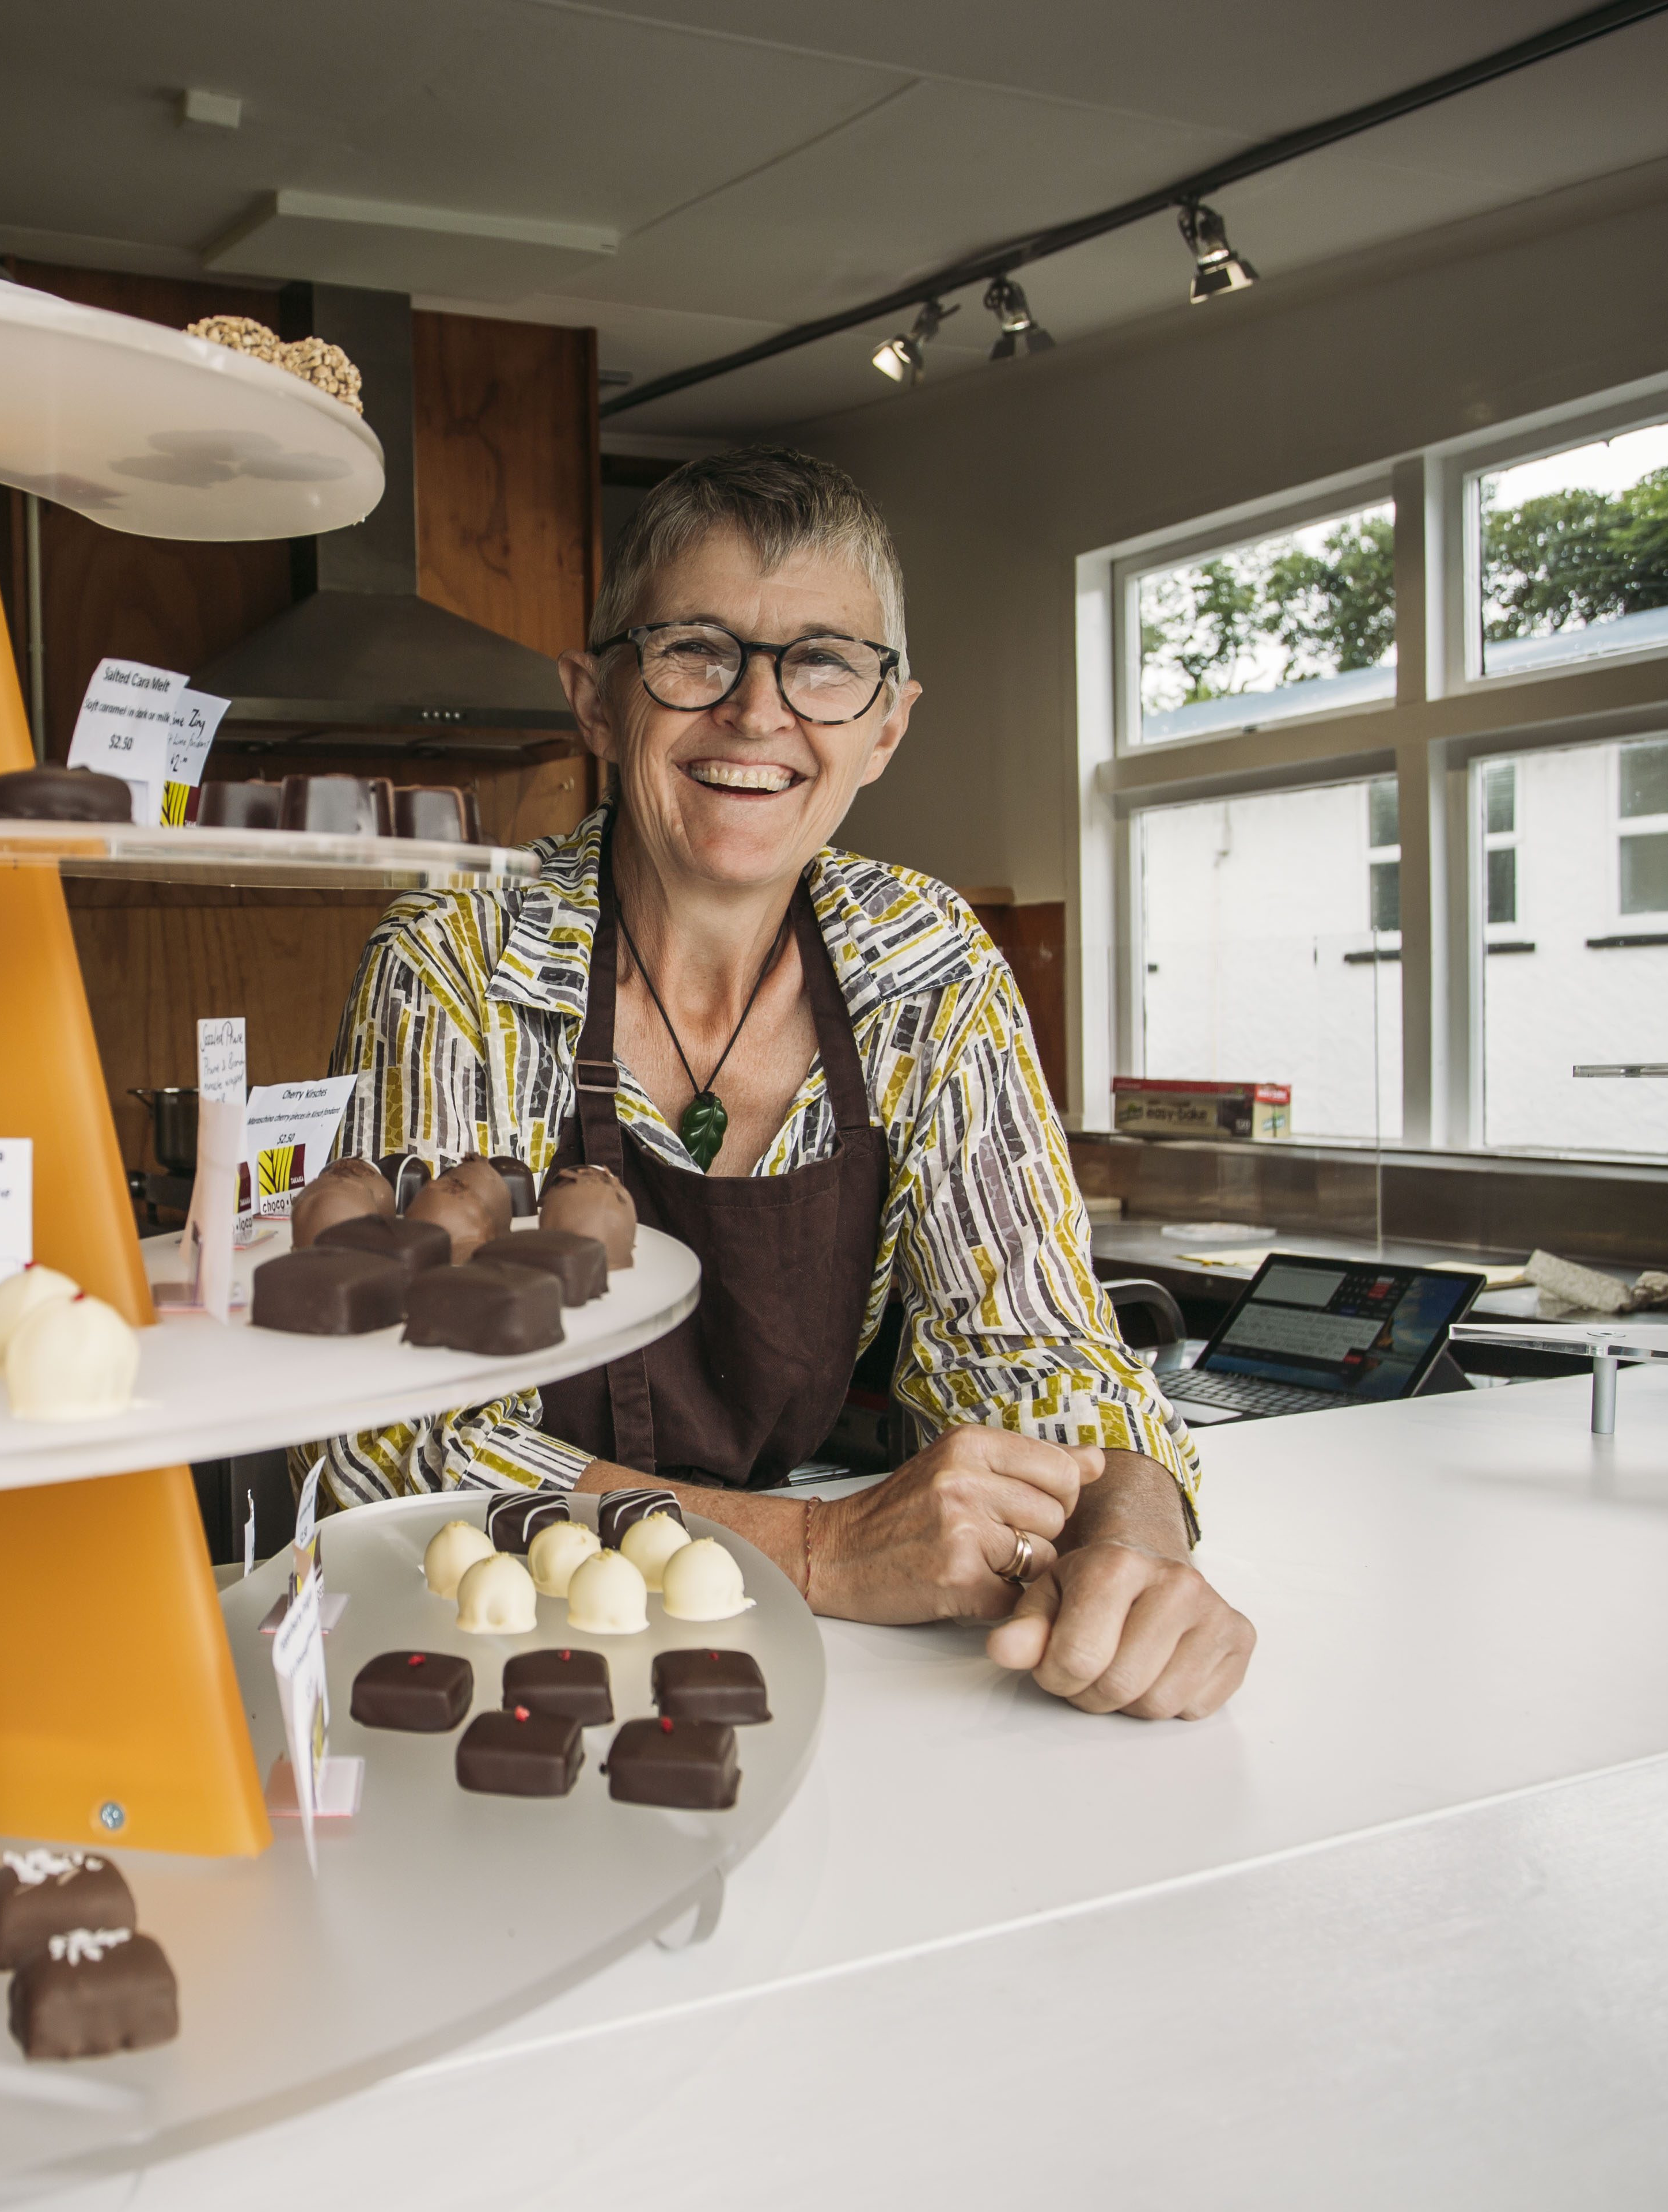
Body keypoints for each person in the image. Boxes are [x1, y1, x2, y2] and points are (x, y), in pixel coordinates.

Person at [321, 446, 1253, 1721]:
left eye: (822, 664)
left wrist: (1135, 1534)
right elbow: (393, 1437)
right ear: (597, 702)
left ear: (887, 724)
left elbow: (1036, 1344)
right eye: (696, 650)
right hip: (481, 1646)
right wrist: (814, 1548)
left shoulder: (925, 961)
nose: (760, 716)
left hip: (805, 1673)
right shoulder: (458, 963)